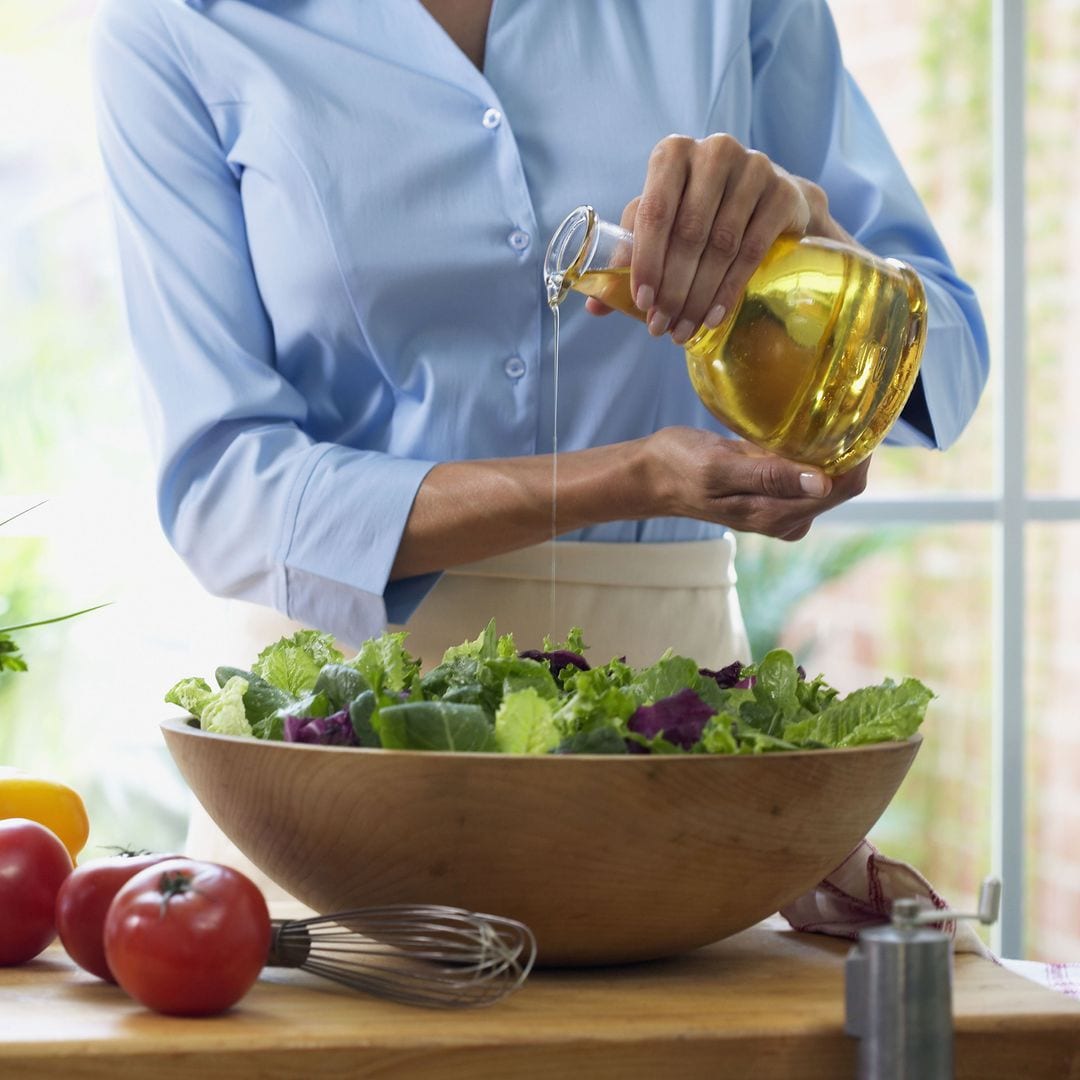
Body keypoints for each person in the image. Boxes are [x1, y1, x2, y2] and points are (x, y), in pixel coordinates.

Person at [91, 0, 987, 673]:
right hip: (337, 741)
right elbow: (223, 488)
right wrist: (630, 480)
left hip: (672, 714)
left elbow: (947, 350)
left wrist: (820, 247)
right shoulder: (175, 22)